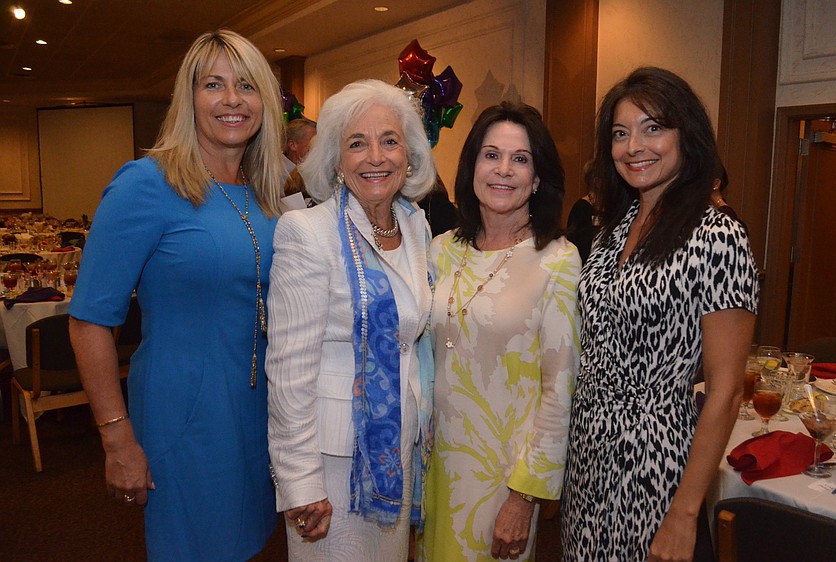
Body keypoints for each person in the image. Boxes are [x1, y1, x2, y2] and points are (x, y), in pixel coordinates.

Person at [68, 30, 283, 561]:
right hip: (184, 414)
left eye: (247, 86)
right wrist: (117, 440)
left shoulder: (267, 194)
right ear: (188, 99)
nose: (232, 99)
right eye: (214, 84)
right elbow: (89, 321)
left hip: (256, 413)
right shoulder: (146, 183)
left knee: (249, 544)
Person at [561, 67, 759, 561]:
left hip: (657, 464)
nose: (634, 147)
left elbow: (727, 389)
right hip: (587, 457)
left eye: (653, 128)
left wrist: (685, 512)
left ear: (685, 135)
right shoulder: (613, 228)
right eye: (620, 134)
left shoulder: (718, 236)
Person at [266, 79, 437, 561]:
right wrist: (300, 482)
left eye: (389, 141)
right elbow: (288, 371)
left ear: (409, 154)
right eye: (356, 143)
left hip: (398, 452)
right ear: (336, 160)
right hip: (333, 463)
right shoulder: (306, 233)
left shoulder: (415, 225)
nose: (375, 157)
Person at [419, 101, 581, 561]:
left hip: (501, 478)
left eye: (520, 158)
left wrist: (525, 496)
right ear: (471, 166)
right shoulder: (440, 251)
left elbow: (560, 387)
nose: (504, 170)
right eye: (491, 155)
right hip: (433, 467)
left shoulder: (557, 259)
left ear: (537, 178)